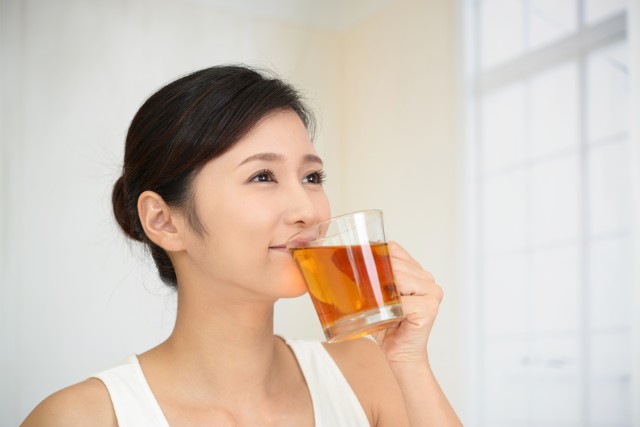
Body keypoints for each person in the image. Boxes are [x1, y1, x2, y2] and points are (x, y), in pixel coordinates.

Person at [22, 65, 462, 426]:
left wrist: (408, 361)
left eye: (312, 177)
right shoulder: (82, 418)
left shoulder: (364, 374)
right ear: (163, 221)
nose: (307, 209)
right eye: (262, 177)